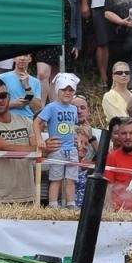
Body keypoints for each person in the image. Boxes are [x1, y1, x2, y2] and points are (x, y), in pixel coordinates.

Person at [0, 76, 54, 204]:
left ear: (9, 96)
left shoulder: (25, 121)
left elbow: (39, 151)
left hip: (29, 197)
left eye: (3, 95)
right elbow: (7, 149)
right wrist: (43, 147)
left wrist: (45, 147)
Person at [36, 73, 82, 209]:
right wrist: (39, 139)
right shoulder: (51, 107)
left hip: (71, 149)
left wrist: (77, 138)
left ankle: (71, 203)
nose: (67, 93)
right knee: (55, 178)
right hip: (57, 148)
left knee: (71, 179)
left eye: (71, 90)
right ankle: (53, 204)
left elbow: (73, 127)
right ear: (57, 90)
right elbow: (37, 122)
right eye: (64, 89)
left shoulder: (74, 109)